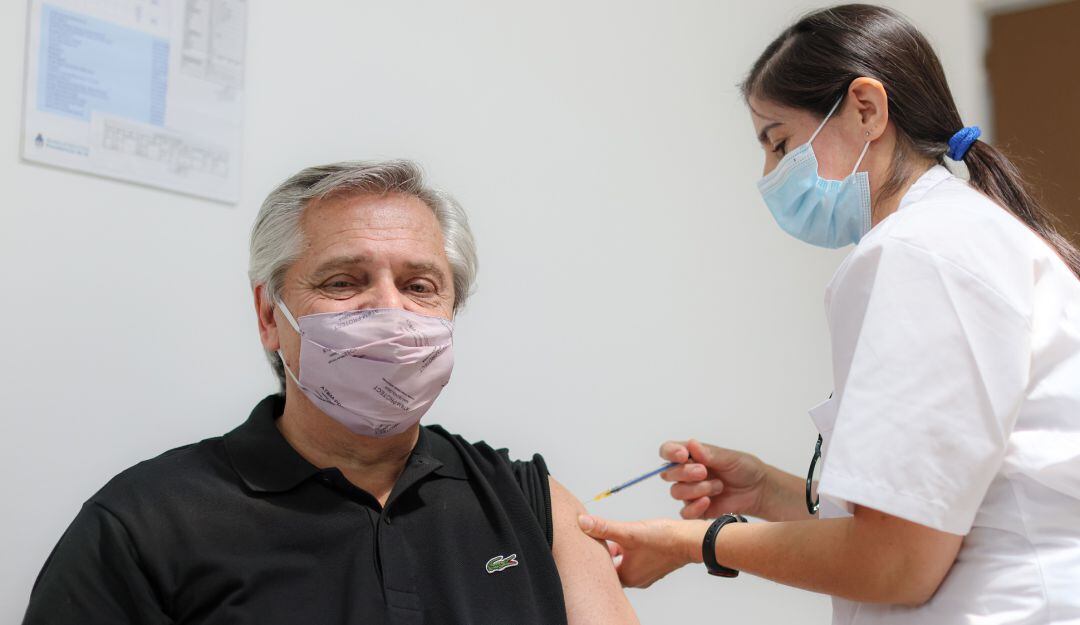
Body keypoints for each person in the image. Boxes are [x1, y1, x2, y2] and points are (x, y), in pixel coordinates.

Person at [577, 5, 1080, 624]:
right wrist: (770, 491)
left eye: (780, 142)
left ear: (866, 108)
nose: (769, 175)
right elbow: (934, 511)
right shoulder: (963, 237)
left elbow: (897, 562)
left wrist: (691, 543)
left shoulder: (919, 253)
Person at [23, 160, 639, 625]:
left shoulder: (530, 503)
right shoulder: (141, 526)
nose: (390, 311)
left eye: (420, 285)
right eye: (344, 281)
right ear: (270, 315)